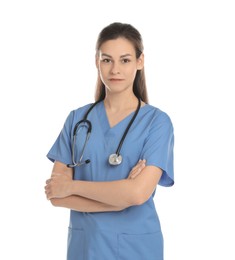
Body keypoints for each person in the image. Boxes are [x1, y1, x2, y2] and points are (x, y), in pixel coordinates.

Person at [44, 22, 174, 260]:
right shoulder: (77, 119)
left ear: (140, 62)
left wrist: (71, 186)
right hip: (85, 247)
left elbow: (136, 194)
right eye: (107, 60)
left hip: (136, 249)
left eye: (125, 60)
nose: (115, 69)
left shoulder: (157, 122)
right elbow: (56, 195)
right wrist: (117, 201)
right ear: (97, 62)